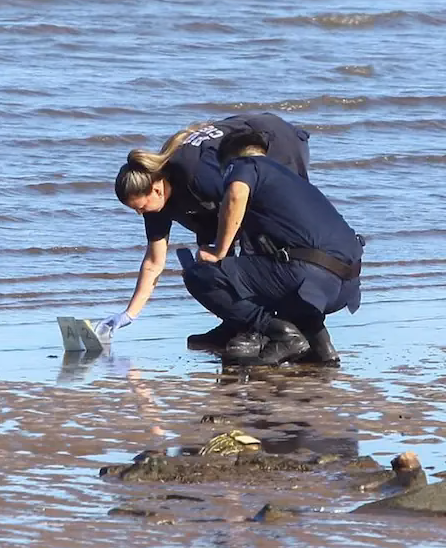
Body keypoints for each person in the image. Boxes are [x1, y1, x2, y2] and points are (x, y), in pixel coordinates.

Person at [96, 113, 311, 350]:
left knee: (256, 235)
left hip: (276, 143)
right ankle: (235, 321)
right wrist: (129, 314)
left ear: (157, 189)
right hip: (220, 185)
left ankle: (267, 329)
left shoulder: (196, 172)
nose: (141, 214)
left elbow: (239, 199)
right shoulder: (155, 205)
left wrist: (220, 249)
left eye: (140, 207)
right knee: (209, 249)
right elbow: (153, 262)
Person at [181, 129, 363, 366]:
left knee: (200, 275)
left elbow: (236, 195)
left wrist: (219, 251)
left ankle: (282, 335)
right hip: (346, 287)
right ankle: (320, 347)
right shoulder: (288, 178)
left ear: (229, 158)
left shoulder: (245, 164)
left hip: (312, 278)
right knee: (274, 272)